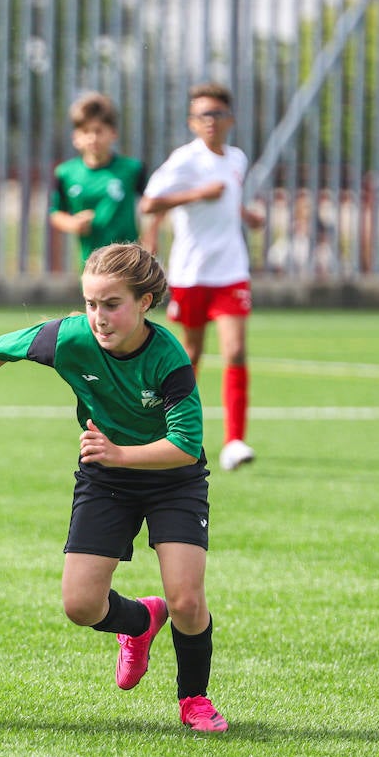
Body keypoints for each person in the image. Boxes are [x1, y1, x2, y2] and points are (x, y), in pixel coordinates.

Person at [0, 242, 228, 733]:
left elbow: (187, 446)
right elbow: (1, 347)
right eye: (91, 304)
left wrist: (121, 453)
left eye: (112, 305)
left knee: (188, 601)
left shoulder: (169, 359)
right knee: (81, 606)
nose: (99, 317)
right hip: (106, 478)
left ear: (145, 302)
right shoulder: (68, 338)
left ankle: (194, 699)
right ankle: (140, 622)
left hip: (173, 481)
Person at [139, 82, 265, 473]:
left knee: (236, 351)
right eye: (201, 115)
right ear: (192, 122)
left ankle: (235, 441)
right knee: (189, 355)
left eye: (216, 114)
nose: (209, 121)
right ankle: (174, 431)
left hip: (231, 270)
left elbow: (228, 198)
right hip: (192, 272)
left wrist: (246, 215)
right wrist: (196, 196)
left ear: (230, 119)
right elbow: (149, 202)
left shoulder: (238, 159)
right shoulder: (184, 161)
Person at [49, 92, 148, 266]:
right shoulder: (66, 173)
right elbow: (56, 213)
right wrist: (73, 223)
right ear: (75, 137)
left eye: (99, 131)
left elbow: (152, 206)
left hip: (128, 263)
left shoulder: (132, 169)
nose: (93, 138)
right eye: (86, 131)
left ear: (113, 133)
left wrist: (150, 236)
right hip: (90, 262)